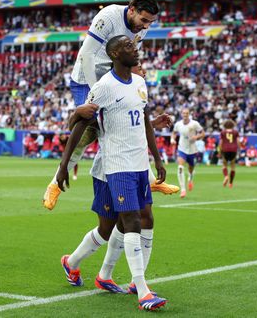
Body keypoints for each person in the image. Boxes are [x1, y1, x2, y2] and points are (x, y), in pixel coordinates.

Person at [57, 35, 167, 310]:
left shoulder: (140, 83)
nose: (136, 49)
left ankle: (77, 265)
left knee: (126, 223)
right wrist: (62, 168)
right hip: (115, 165)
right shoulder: (104, 86)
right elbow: (81, 124)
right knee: (130, 221)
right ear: (116, 54)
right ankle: (142, 290)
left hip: (139, 165)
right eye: (129, 46)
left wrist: (158, 159)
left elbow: (143, 121)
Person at [43, 0, 178, 210]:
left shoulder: (141, 27)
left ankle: (151, 180)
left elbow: (131, 56)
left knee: (124, 128)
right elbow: (86, 55)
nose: (146, 26)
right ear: (131, 9)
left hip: (113, 77)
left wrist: (136, 75)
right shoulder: (108, 16)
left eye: (150, 22)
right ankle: (54, 184)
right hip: (87, 78)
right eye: (144, 20)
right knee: (86, 128)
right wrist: (96, 91)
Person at [171, 108, 205, 198]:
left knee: (191, 168)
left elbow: (203, 133)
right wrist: (172, 139)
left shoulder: (194, 124)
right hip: (182, 148)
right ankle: (183, 189)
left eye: (186, 113)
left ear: (189, 114)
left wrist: (196, 137)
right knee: (180, 167)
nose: (185, 115)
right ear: (181, 114)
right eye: (183, 113)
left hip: (192, 149)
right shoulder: (178, 124)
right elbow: (174, 133)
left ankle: (190, 178)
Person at [219, 119, 239, 188]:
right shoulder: (235, 132)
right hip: (233, 150)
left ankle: (226, 176)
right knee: (233, 166)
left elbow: (221, 142)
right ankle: (230, 183)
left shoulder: (223, 132)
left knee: (224, 164)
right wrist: (239, 149)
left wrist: (220, 150)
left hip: (225, 149)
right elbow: (238, 141)